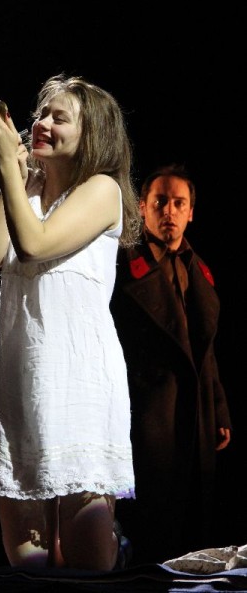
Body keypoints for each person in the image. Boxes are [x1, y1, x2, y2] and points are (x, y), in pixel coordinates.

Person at [0, 73, 141, 570]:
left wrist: (8, 164)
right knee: (28, 563)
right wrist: (17, 180)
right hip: (23, 386)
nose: (41, 123)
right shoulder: (27, 194)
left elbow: (35, 244)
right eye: (41, 113)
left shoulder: (102, 190)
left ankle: (116, 547)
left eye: (58, 117)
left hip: (78, 387)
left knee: (84, 563)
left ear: (92, 135)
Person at [110, 164, 232, 565]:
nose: (169, 211)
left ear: (191, 212)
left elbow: (205, 349)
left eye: (179, 203)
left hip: (193, 409)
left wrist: (218, 410)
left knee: (192, 513)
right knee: (150, 515)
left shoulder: (199, 269)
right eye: (160, 201)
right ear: (143, 208)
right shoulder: (122, 263)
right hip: (145, 408)